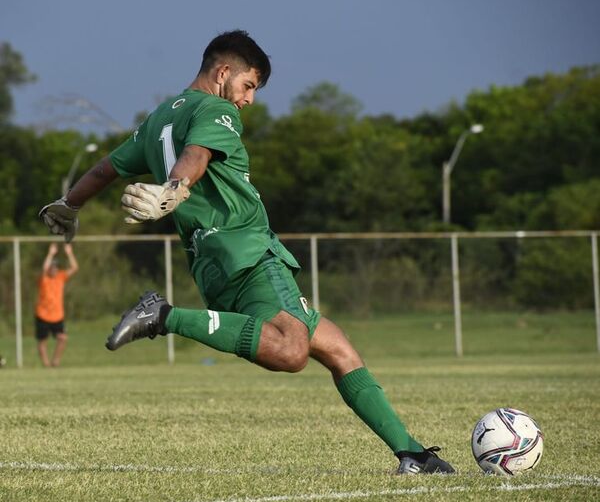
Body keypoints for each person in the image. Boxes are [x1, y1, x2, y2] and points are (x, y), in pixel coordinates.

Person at [39, 30, 454, 474]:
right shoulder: (216, 109)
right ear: (223, 73)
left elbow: (105, 169)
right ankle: (163, 316)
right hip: (249, 251)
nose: (250, 100)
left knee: (338, 350)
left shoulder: (157, 119)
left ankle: (413, 454)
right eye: (249, 85)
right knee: (291, 352)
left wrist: (70, 204)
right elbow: (197, 154)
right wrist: (175, 189)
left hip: (210, 264)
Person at [34, 243, 78, 367]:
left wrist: (69, 253)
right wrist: (50, 253)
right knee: (42, 341)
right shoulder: (44, 278)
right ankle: (46, 365)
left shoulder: (60, 277)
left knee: (62, 338)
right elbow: (44, 268)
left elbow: (74, 267)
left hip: (57, 315)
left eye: (55, 267)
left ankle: (55, 361)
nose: (54, 269)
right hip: (42, 314)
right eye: (52, 267)